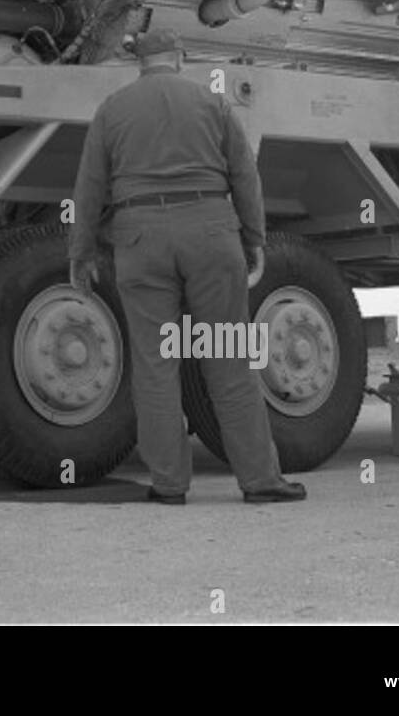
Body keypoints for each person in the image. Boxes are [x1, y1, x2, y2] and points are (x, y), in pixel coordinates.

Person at [69, 28, 305, 505]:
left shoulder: (112, 109)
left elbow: (89, 187)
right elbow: (244, 174)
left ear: (140, 61)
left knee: (155, 366)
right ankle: (260, 481)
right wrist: (254, 237)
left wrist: (81, 252)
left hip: (139, 239)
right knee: (230, 363)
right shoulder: (212, 103)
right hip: (210, 234)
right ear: (178, 58)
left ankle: (169, 485)